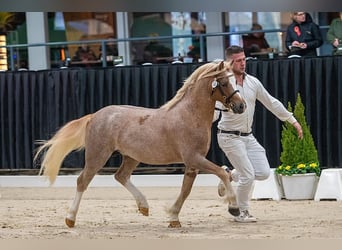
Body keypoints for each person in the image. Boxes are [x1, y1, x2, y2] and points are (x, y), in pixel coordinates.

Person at [213, 45, 303, 223]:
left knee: (262, 172)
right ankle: (241, 212)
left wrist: (292, 120)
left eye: (244, 59)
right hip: (228, 136)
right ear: (229, 62)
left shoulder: (253, 82)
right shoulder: (224, 85)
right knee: (248, 176)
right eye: (238, 60)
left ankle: (229, 175)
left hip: (248, 136)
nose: (243, 63)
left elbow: (271, 102)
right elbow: (214, 112)